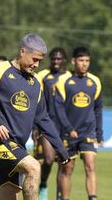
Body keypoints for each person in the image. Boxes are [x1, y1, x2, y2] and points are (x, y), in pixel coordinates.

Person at [0, 33, 69, 200]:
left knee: (9, 195)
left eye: (40, 61)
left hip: (18, 146)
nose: (37, 64)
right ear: (22, 51)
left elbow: (43, 118)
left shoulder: (36, 81)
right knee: (33, 168)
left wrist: (60, 148)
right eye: (34, 59)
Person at [55, 47, 103, 200]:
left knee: (90, 166)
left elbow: (98, 109)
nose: (84, 64)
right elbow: (59, 108)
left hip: (88, 132)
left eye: (87, 61)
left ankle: (92, 197)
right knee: (67, 169)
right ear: (73, 61)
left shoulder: (95, 81)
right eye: (81, 60)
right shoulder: (64, 81)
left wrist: (99, 133)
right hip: (68, 134)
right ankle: (65, 198)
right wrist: (69, 128)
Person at [35, 47, 70, 200]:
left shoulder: (70, 77)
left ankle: (59, 195)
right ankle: (43, 183)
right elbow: (36, 102)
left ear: (64, 60)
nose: (56, 61)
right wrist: (34, 126)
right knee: (48, 159)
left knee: (64, 162)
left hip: (65, 126)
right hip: (46, 124)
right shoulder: (42, 75)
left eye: (59, 58)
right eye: (53, 59)